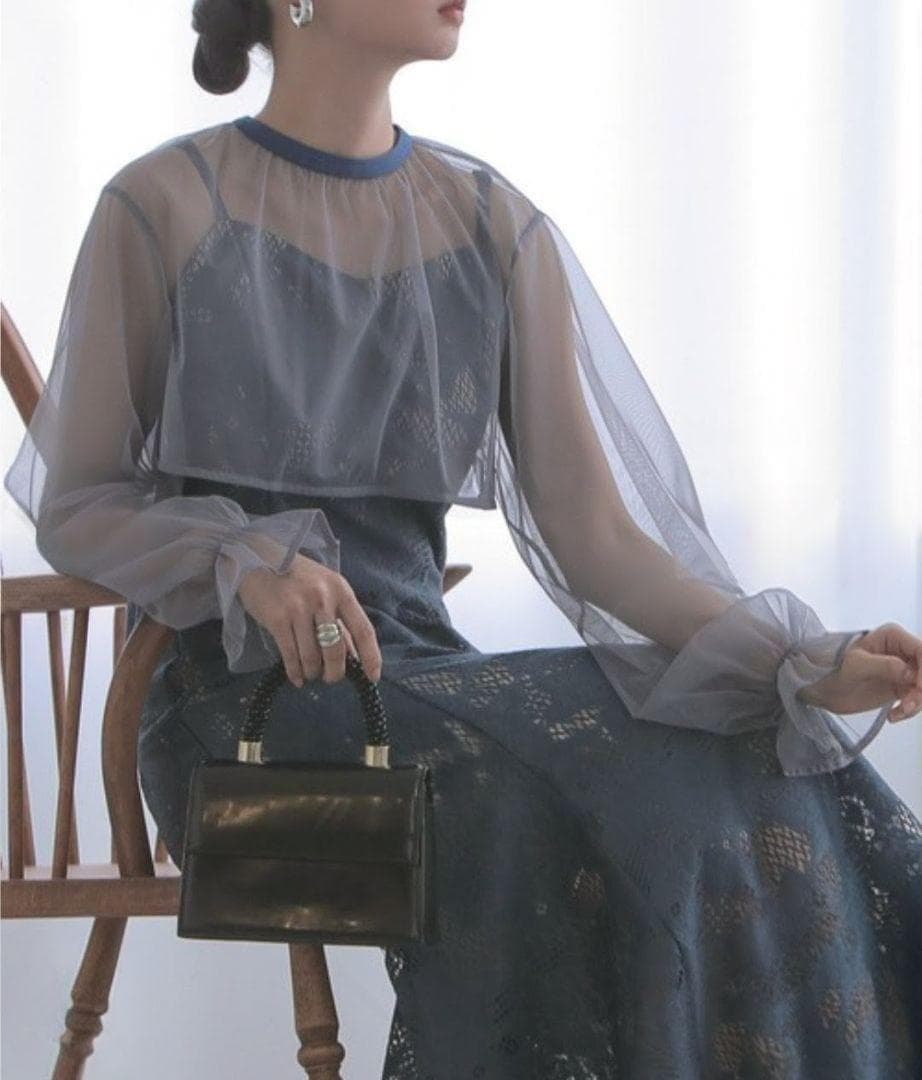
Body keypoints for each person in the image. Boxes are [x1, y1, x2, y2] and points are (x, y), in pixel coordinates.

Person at [5, 1, 921, 1075]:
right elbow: (80, 503)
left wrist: (797, 662)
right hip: (236, 701)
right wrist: (244, 560)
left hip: (427, 679)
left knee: (748, 744)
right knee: (534, 792)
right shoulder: (161, 204)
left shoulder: (490, 223)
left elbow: (599, 539)